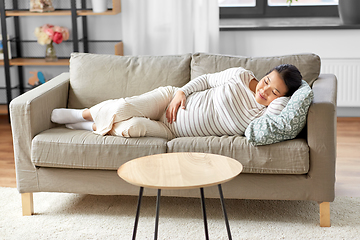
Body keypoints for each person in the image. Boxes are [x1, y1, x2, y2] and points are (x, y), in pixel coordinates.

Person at [51, 64, 302, 140]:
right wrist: (181, 92)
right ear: (265, 74)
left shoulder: (261, 117)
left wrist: (285, 98)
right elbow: (205, 80)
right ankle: (80, 115)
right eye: (268, 80)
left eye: (275, 92)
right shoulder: (241, 76)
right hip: (169, 100)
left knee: (132, 128)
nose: (265, 90)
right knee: (122, 108)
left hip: (172, 131)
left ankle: (92, 127)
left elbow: (278, 114)